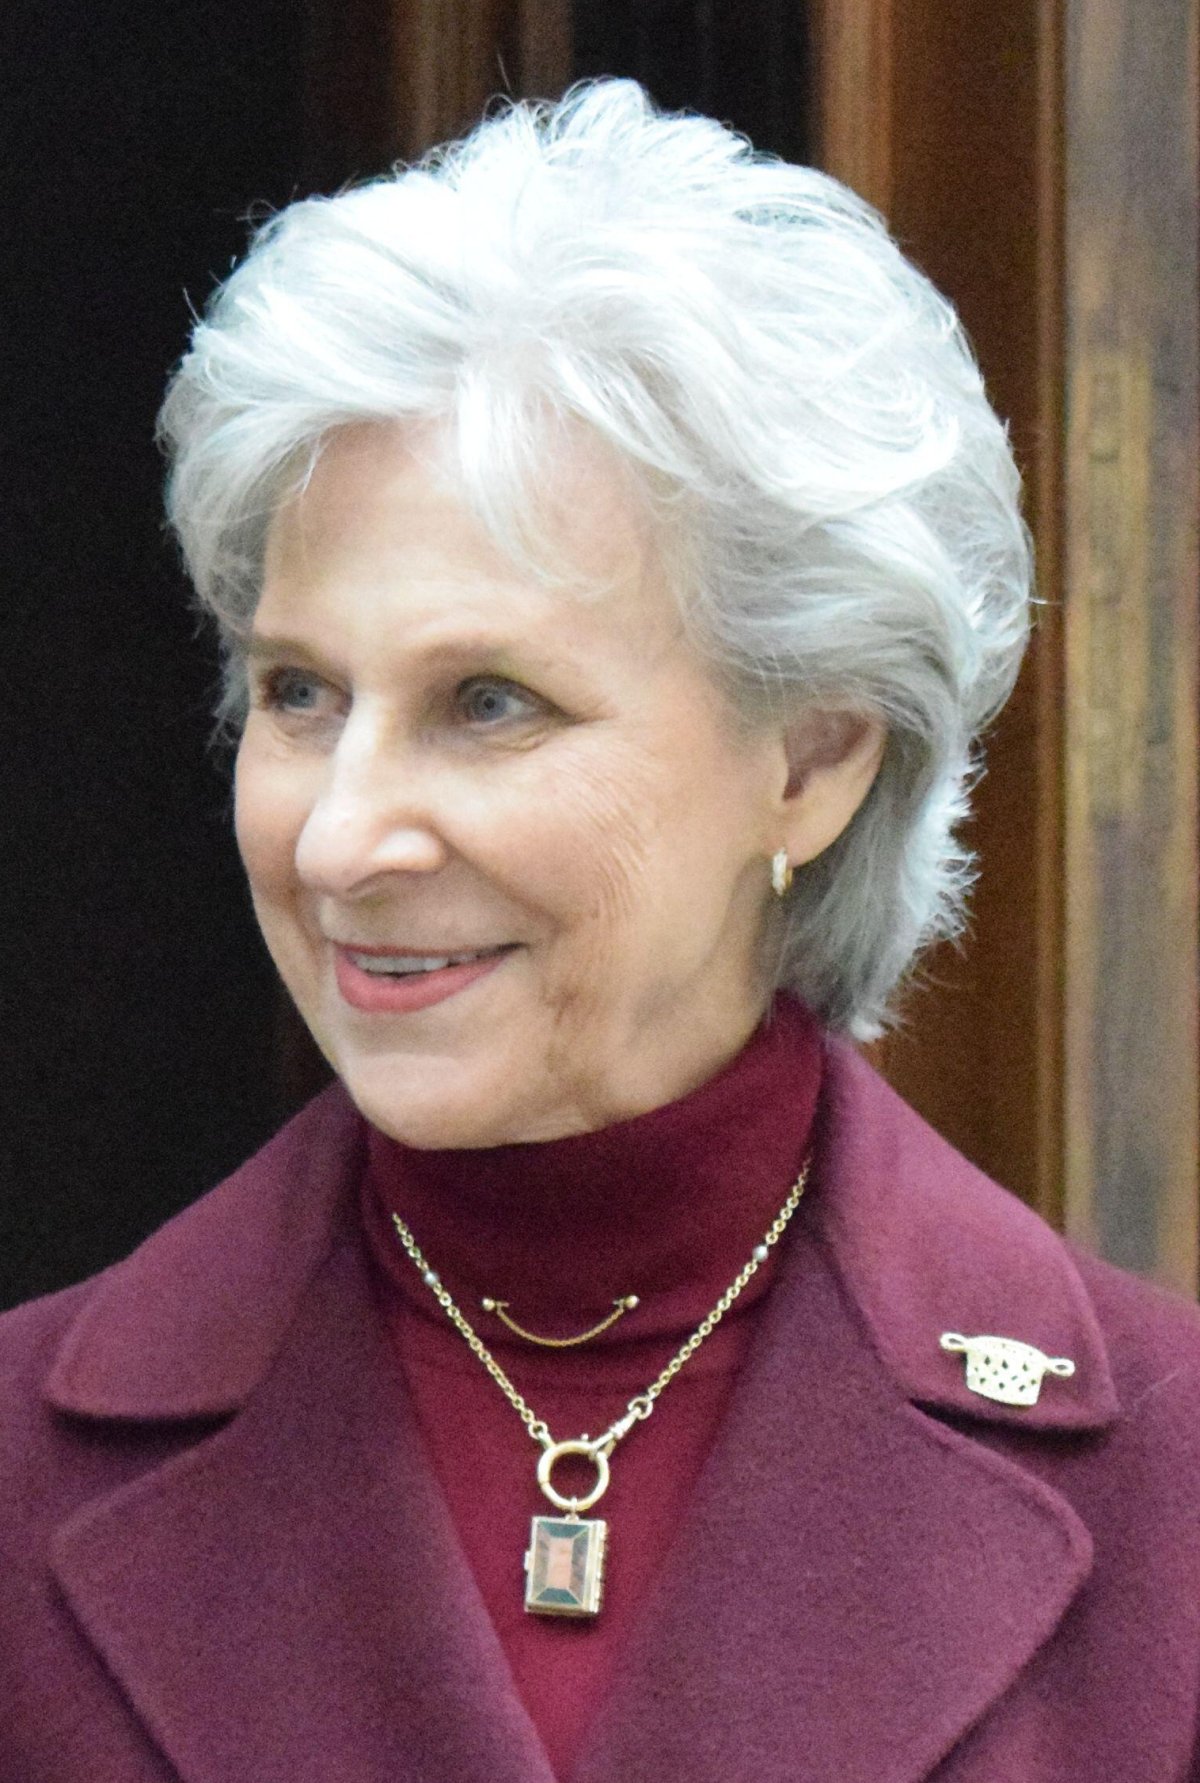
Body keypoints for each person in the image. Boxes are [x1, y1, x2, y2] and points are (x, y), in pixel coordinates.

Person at [2, 80, 1199, 1783]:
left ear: (811, 762)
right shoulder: (23, 1469)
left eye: (489, 702)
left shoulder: (1168, 1494)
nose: (340, 837)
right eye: (299, 694)